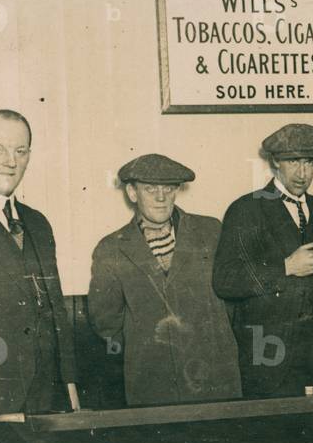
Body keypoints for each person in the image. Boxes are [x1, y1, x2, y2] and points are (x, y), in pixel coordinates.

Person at [0, 110, 79, 438]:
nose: (11, 161)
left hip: (46, 395)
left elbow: (54, 305)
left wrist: (68, 380)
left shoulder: (37, 223)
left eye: (21, 150)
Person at [88, 154, 241, 406]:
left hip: (215, 378)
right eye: (150, 189)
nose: (161, 197)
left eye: (168, 188)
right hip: (152, 382)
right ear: (132, 193)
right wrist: (150, 349)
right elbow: (106, 322)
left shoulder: (211, 231)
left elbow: (233, 300)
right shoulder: (110, 249)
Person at [214, 124, 313, 398]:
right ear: (275, 161)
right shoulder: (246, 208)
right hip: (269, 357)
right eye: (293, 162)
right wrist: (285, 267)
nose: (302, 173)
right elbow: (225, 280)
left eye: (310, 162)